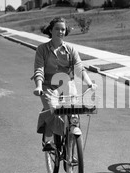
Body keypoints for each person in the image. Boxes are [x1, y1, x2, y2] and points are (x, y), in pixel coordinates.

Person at [32, 17, 96, 150]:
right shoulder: (42, 49)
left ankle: (71, 147)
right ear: (51, 30)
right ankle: (48, 140)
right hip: (48, 86)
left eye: (63, 29)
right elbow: (39, 69)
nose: (60, 32)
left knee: (73, 112)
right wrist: (38, 86)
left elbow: (79, 68)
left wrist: (89, 83)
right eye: (57, 29)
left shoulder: (70, 49)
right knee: (52, 109)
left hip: (67, 85)